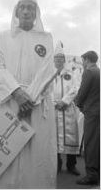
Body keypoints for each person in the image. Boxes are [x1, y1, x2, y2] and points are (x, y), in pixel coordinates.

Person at [0, 0, 57, 189]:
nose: (26, 11)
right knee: (5, 156)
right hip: (10, 104)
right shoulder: (4, 37)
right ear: (16, 12)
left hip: (37, 105)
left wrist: (30, 99)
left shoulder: (46, 38)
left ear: (36, 13)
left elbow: (47, 71)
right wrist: (17, 93)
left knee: (36, 157)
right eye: (22, 7)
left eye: (31, 8)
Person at [53, 41, 80, 175]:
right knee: (54, 138)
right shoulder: (50, 74)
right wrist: (55, 103)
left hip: (67, 109)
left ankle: (71, 165)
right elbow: (46, 91)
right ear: (53, 60)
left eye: (60, 58)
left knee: (71, 137)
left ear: (64, 60)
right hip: (54, 109)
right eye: (56, 58)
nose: (58, 60)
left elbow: (75, 89)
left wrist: (64, 102)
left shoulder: (71, 73)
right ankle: (56, 165)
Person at [75, 51, 100, 185]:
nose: (82, 63)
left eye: (83, 60)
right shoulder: (98, 71)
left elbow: (82, 91)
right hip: (98, 111)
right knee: (97, 142)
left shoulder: (89, 72)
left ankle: (91, 175)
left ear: (88, 59)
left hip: (91, 111)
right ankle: (97, 172)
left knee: (90, 143)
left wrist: (77, 103)